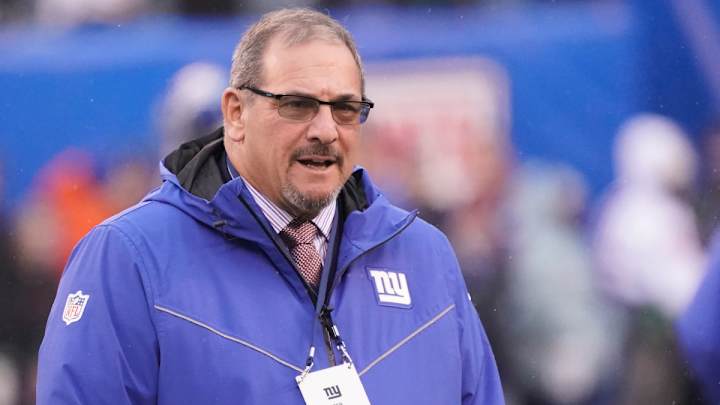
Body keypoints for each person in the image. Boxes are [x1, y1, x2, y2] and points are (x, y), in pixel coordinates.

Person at [36, 8, 504, 404]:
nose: (326, 130)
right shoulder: (130, 259)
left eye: (345, 108)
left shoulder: (425, 256)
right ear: (236, 114)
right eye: (297, 105)